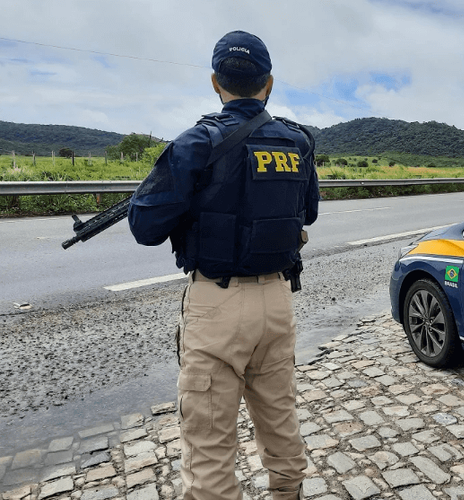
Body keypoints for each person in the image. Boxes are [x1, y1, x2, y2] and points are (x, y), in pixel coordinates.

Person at [128, 30, 319, 500]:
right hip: (277, 301)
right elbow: (309, 213)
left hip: (216, 305)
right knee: (280, 418)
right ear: (268, 83)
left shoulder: (196, 142)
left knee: (209, 443)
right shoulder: (298, 141)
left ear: (216, 82)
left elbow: (145, 227)